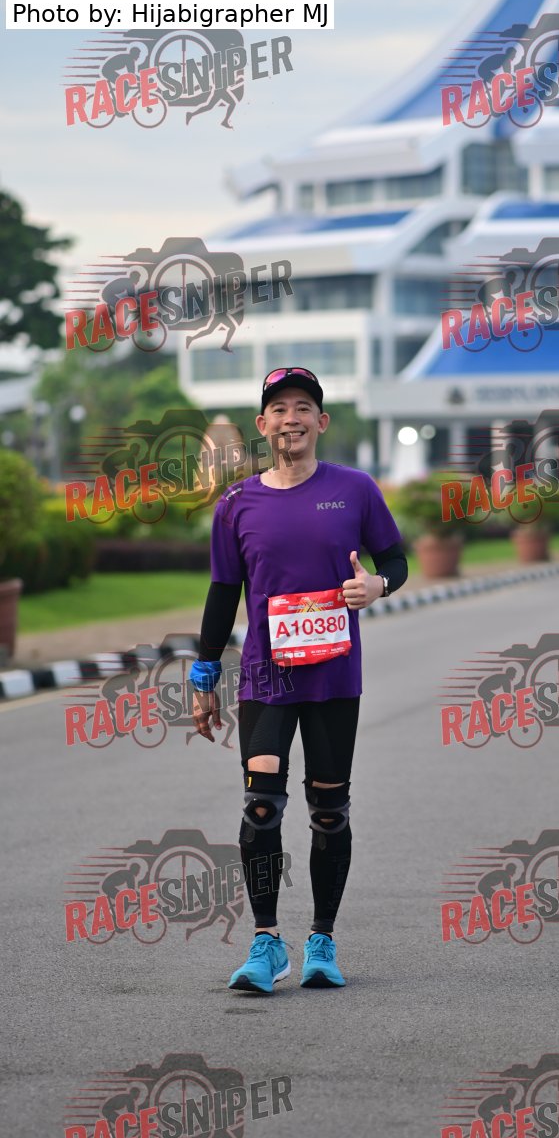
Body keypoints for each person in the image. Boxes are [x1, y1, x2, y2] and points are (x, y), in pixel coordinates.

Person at [189, 367, 408, 993]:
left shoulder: (355, 489)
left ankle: (322, 939)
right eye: (280, 409)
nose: (292, 418)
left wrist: (377, 585)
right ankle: (265, 942)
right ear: (263, 425)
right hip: (266, 677)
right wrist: (205, 672)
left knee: (329, 810)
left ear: (321, 421)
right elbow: (223, 591)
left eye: (304, 407)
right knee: (261, 806)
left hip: (334, 677)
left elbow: (395, 560)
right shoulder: (237, 504)